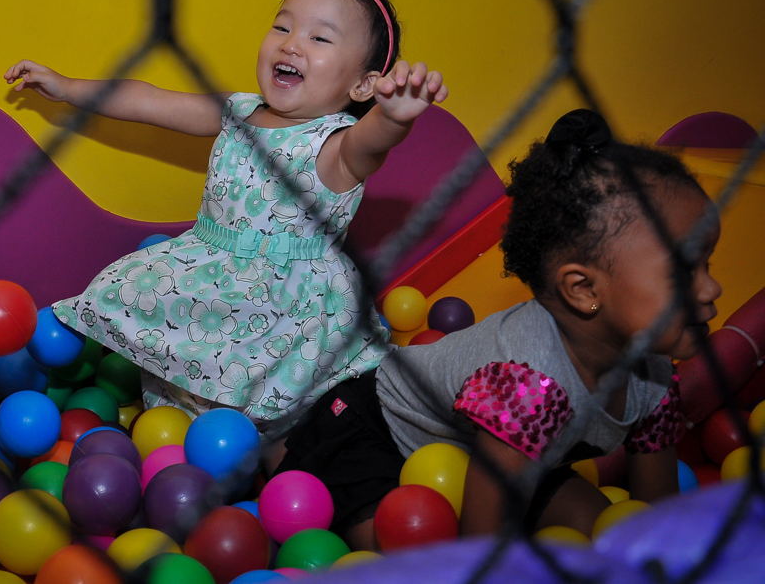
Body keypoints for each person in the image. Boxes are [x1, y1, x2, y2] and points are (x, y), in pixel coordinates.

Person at [4, 0, 449, 446]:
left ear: (362, 85)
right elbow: (150, 101)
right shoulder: (237, 111)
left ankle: (272, 456)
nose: (291, 42)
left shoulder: (335, 146)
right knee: (171, 358)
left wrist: (394, 118)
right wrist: (68, 88)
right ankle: (189, 439)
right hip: (210, 283)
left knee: (276, 413)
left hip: (287, 311)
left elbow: (371, 142)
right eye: (282, 26)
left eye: (320, 39)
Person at [274, 109, 723, 548]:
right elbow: (484, 549)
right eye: (684, 272)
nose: (712, 289)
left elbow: (659, 521)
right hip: (373, 429)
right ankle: (281, 450)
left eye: (708, 264)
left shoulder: (656, 375)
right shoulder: (527, 382)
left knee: (601, 527)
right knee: (403, 544)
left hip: (484, 452)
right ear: (583, 288)